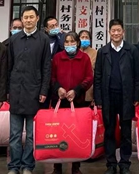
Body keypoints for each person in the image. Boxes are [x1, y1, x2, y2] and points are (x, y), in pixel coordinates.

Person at [7, 6, 52, 174]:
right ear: (21, 19)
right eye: (25, 17)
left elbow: (46, 67)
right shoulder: (14, 39)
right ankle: (14, 166)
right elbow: (8, 66)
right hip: (16, 91)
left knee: (32, 135)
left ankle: (27, 165)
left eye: (31, 17)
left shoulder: (43, 39)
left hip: (34, 92)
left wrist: (43, 91)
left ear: (37, 18)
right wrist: (7, 90)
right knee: (15, 135)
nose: (28, 20)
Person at [95, 19, 139, 174]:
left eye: (118, 30)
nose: (116, 33)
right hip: (108, 96)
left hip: (126, 96)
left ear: (123, 32)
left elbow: (137, 75)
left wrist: (136, 96)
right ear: (109, 32)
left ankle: (125, 164)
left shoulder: (131, 50)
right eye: (113, 30)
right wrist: (98, 99)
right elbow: (98, 76)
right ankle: (111, 164)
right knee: (109, 131)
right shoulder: (103, 52)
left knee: (126, 131)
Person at [51, 32, 93, 174]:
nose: (69, 44)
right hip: (60, 101)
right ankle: (57, 167)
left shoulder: (84, 58)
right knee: (59, 134)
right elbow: (52, 77)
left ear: (78, 43)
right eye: (67, 42)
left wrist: (77, 90)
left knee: (77, 134)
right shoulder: (57, 58)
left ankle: (76, 167)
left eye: (72, 41)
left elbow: (89, 77)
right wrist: (58, 88)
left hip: (78, 102)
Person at [79, 30, 97, 105]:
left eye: (87, 37)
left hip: (90, 89)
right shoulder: (75, 52)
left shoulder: (95, 53)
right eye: (82, 37)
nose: (84, 39)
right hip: (75, 90)